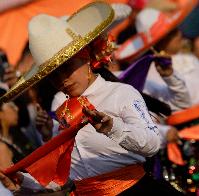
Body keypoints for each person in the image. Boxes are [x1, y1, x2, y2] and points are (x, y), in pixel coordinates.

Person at [0, 2, 181, 195]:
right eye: (53, 75)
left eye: (68, 68)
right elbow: (66, 175)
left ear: (86, 58)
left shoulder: (120, 94)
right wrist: (24, 180)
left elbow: (152, 144)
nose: (63, 80)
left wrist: (113, 128)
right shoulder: (63, 111)